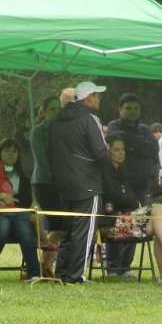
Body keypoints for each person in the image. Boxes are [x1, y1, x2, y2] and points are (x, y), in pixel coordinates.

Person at [100, 135, 162, 284]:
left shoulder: (123, 171)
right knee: (158, 217)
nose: (121, 153)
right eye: (116, 149)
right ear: (108, 149)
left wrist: (129, 201)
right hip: (111, 224)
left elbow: (128, 199)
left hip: (127, 219)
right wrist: (128, 201)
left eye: (123, 149)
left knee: (158, 214)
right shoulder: (103, 172)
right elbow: (117, 198)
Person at [49, 81, 111, 284]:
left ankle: (62, 272)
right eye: (98, 95)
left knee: (68, 230)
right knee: (84, 231)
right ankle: (76, 276)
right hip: (87, 183)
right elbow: (100, 152)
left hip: (63, 183)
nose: (99, 99)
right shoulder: (90, 119)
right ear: (89, 97)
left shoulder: (58, 120)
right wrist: (109, 153)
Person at [106, 93, 159, 277]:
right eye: (128, 108)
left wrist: (132, 144)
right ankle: (113, 267)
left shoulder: (145, 129)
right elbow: (116, 138)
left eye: (136, 108)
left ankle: (125, 266)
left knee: (136, 225)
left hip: (141, 187)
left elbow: (154, 148)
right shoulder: (114, 126)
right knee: (119, 223)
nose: (133, 111)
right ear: (120, 109)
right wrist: (140, 145)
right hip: (120, 186)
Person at [0, 138, 41, 281]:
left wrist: (10, 203)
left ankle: (34, 273)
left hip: (16, 220)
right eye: (6, 150)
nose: (11, 154)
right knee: (3, 223)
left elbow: (27, 201)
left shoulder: (22, 178)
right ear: (0, 152)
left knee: (24, 227)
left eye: (14, 151)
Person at [30, 95, 65, 277]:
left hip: (61, 184)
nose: (56, 112)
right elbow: (42, 162)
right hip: (44, 183)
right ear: (44, 111)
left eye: (59, 109)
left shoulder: (63, 131)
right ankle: (41, 266)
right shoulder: (38, 132)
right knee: (59, 224)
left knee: (57, 226)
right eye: (52, 109)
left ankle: (45, 267)